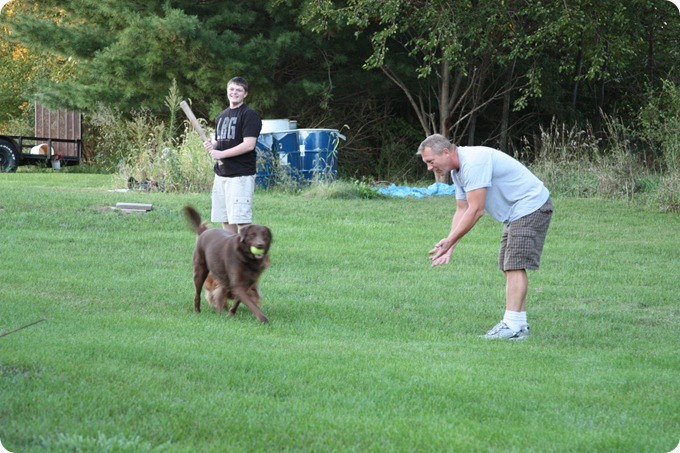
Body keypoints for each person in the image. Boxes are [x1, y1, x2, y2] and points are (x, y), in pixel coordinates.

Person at [417, 134, 553, 340]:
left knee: (515, 265)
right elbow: (462, 209)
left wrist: (450, 241)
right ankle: (518, 325)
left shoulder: (473, 162)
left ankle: (511, 325)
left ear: (445, 152)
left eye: (430, 161)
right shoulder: (457, 171)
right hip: (515, 213)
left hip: (530, 205)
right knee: (509, 266)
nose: (429, 168)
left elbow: (476, 210)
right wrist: (450, 245)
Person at [204, 76, 262, 234]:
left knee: (241, 219)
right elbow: (221, 141)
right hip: (222, 174)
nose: (234, 93)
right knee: (226, 218)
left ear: (245, 94)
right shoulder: (222, 116)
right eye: (231, 89)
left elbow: (249, 145)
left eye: (239, 90)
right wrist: (213, 145)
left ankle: (244, 248)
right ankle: (231, 248)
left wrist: (221, 153)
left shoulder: (249, 115)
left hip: (240, 175)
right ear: (227, 91)